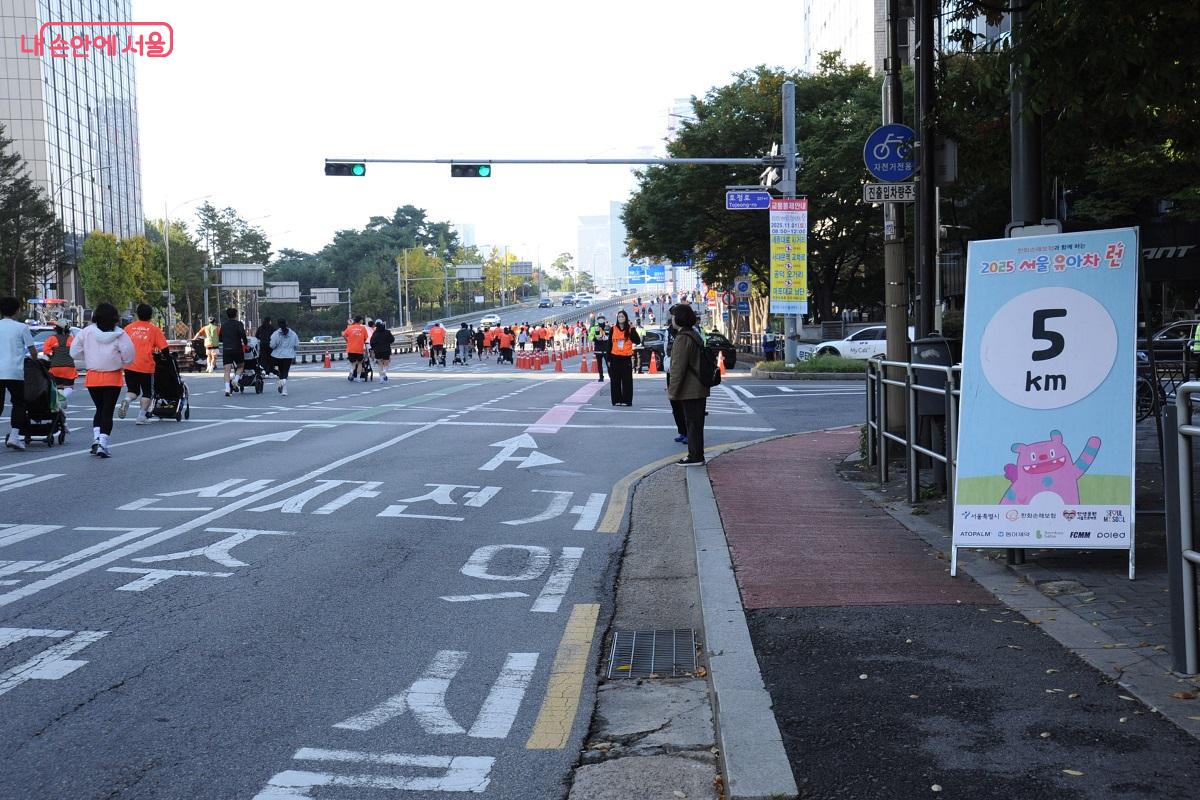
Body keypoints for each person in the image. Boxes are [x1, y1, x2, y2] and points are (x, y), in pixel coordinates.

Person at [70, 302, 135, 458]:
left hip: (93, 377)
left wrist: (88, 356)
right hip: (112, 376)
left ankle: (96, 438)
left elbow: (74, 352)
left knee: (99, 409)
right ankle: (103, 443)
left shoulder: (86, 332)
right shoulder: (121, 334)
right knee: (107, 411)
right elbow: (129, 356)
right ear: (115, 318)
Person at [667, 303, 709, 466]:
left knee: (692, 423)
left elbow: (678, 368)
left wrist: (672, 391)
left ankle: (695, 456)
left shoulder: (683, 338)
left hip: (690, 388)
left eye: (674, 316)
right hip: (699, 385)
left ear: (680, 318)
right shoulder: (693, 333)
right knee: (696, 423)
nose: (672, 319)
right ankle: (697, 454)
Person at [119, 303, 169, 425]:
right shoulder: (154, 329)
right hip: (146, 365)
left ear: (137, 314)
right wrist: (166, 358)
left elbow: (121, 345)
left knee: (133, 390)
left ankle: (127, 400)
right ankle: (141, 417)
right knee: (147, 392)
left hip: (130, 364)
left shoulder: (128, 328)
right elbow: (165, 349)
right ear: (150, 316)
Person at [0, 296, 37, 451]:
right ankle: (15, 436)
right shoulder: (21, 328)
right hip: (15, 371)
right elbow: (33, 351)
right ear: (17, 310)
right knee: (19, 403)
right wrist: (31, 358)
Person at [42, 320, 77, 410]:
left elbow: (46, 350)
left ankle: (59, 400)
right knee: (69, 387)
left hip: (55, 367)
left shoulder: (51, 339)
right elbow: (75, 351)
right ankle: (62, 397)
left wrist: (51, 355)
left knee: (58, 387)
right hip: (69, 367)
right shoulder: (71, 339)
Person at [608, 310, 640, 406]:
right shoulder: (613, 329)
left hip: (626, 358)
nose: (621, 318)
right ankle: (616, 400)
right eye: (619, 317)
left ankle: (627, 400)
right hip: (615, 357)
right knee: (615, 380)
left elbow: (637, 341)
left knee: (627, 380)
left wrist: (632, 330)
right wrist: (608, 359)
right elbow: (609, 345)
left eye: (622, 316)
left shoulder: (630, 329)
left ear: (626, 318)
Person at [219, 308, 247, 397]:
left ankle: (227, 389)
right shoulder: (239, 324)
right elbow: (243, 335)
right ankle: (236, 380)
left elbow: (220, 338)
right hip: (237, 349)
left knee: (227, 370)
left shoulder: (223, 325)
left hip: (226, 349)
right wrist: (245, 343)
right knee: (240, 366)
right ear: (235, 315)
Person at [269, 318, 299, 395]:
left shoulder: (275, 334)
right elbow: (296, 345)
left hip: (278, 355)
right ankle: (284, 388)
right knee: (286, 371)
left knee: (281, 371)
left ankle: (282, 386)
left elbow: (272, 345)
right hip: (289, 355)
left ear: (278, 324)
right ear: (287, 324)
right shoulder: (293, 334)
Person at [342, 315, 369, 381]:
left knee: (353, 363)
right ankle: (358, 378)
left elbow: (343, 334)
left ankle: (351, 373)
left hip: (350, 349)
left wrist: (347, 341)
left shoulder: (350, 328)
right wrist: (361, 341)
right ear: (360, 321)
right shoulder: (363, 328)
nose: (362, 321)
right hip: (359, 349)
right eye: (362, 320)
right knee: (360, 363)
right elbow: (366, 338)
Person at [589, 316, 611, 382]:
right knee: (599, 364)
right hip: (598, 348)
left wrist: (607, 338)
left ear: (604, 320)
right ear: (598, 320)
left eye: (602, 319)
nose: (601, 320)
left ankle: (611, 376)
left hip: (606, 348)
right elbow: (590, 337)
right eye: (600, 319)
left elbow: (611, 337)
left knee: (609, 363)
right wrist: (595, 339)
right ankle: (601, 377)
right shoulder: (594, 328)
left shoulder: (608, 327)